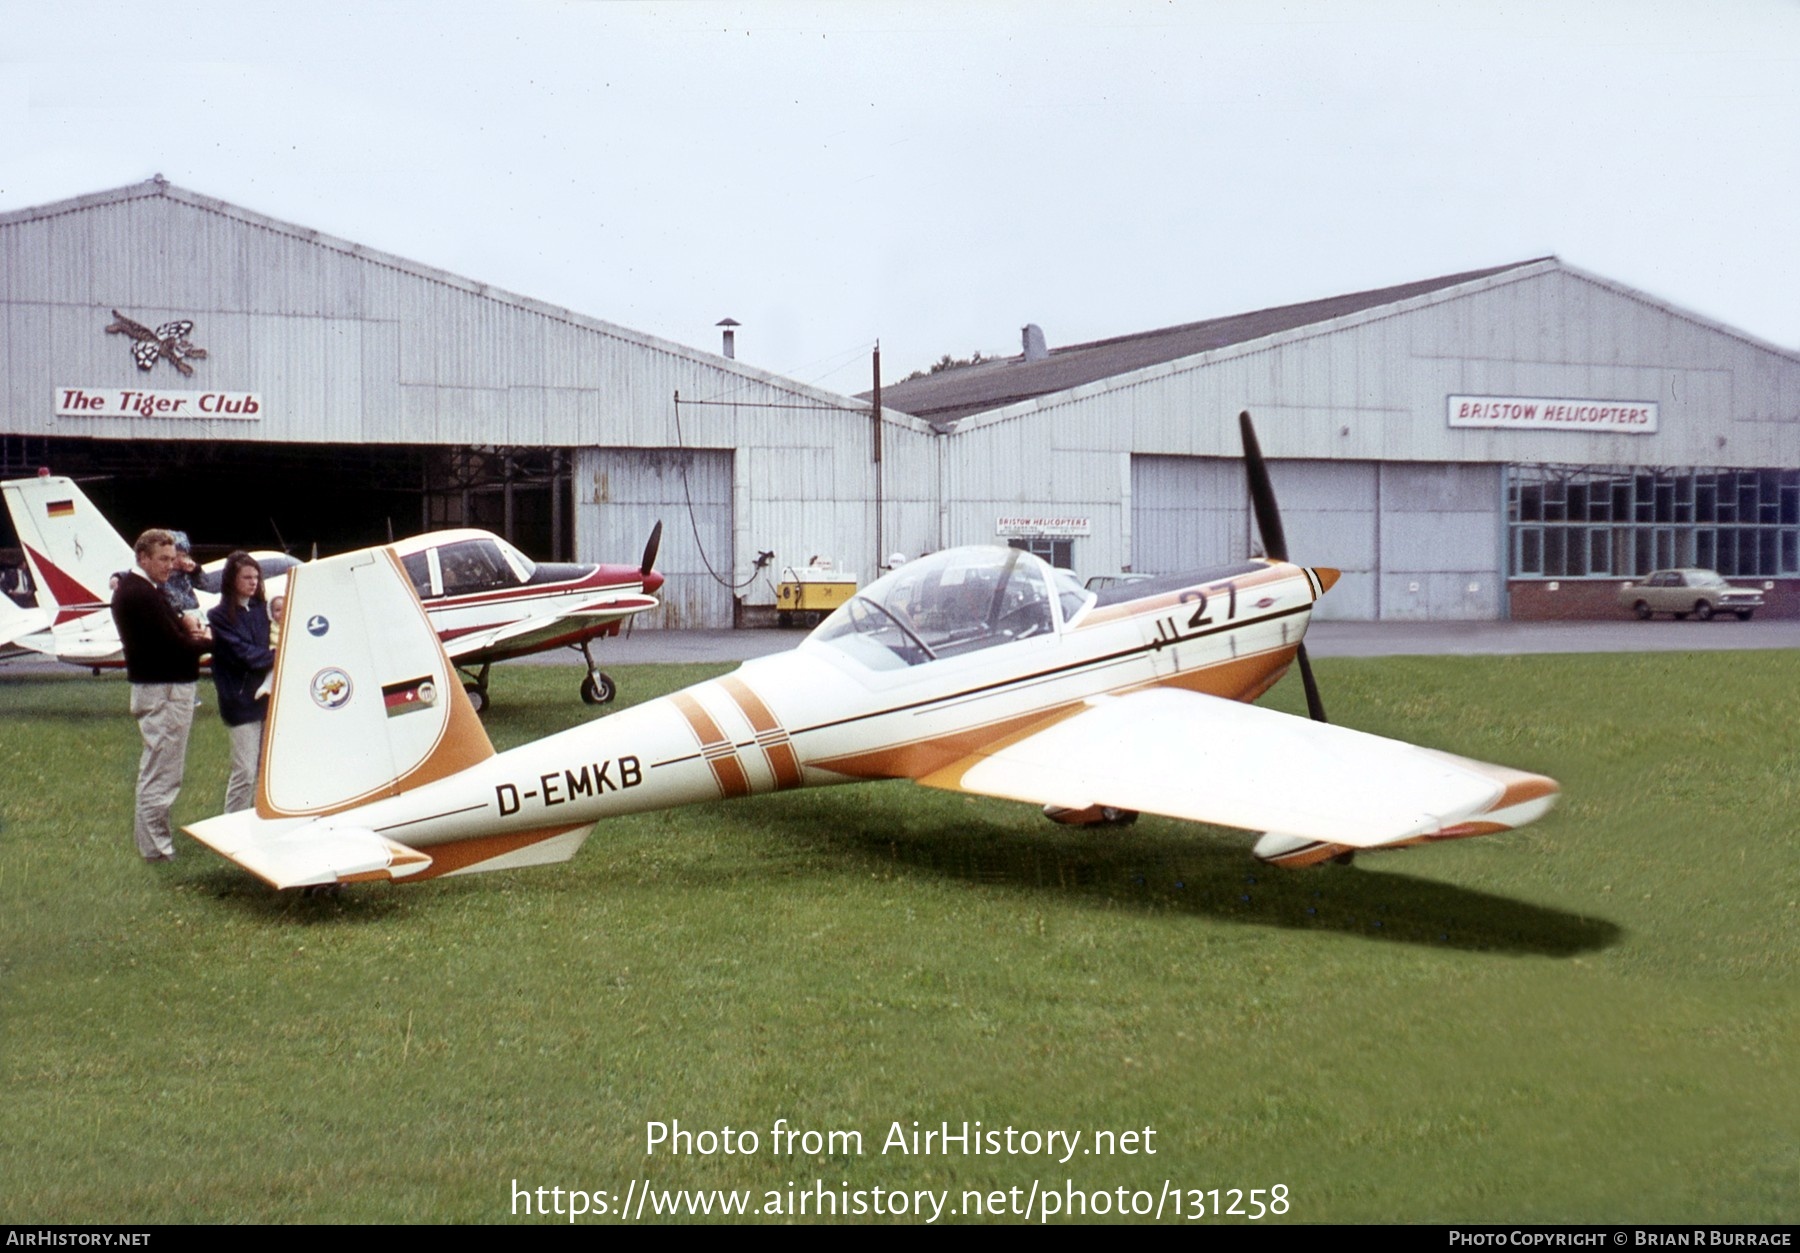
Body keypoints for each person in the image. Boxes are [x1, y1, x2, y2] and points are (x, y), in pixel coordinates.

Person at [111, 528, 211, 861]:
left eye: (173, 559)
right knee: (162, 773)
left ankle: (156, 845)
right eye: (163, 559)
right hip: (163, 689)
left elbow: (172, 633)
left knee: (162, 770)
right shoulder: (140, 594)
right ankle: (156, 849)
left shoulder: (145, 589)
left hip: (164, 686)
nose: (170, 566)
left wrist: (183, 624)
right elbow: (173, 646)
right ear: (143, 558)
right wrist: (215, 642)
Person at [206, 551, 275, 813]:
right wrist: (275, 656)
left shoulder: (261, 610)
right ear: (231, 579)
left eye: (256, 577)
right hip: (240, 699)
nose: (253, 582)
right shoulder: (219, 616)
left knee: (266, 769)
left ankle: (262, 819)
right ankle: (232, 824)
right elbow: (242, 653)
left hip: (268, 697)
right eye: (247, 577)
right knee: (244, 771)